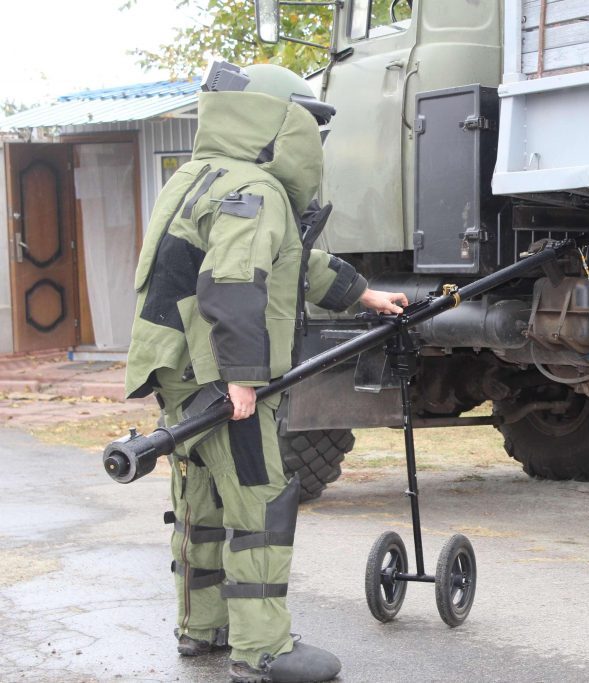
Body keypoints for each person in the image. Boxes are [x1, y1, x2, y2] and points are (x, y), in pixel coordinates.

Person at [124, 60, 408, 683]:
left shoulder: (199, 177)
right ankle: (262, 650)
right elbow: (233, 284)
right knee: (258, 499)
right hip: (217, 371)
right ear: (279, 122)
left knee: (199, 495)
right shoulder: (257, 190)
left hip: (174, 367)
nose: (315, 138)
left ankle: (203, 630)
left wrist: (365, 295)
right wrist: (242, 377)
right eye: (310, 123)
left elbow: (291, 262)